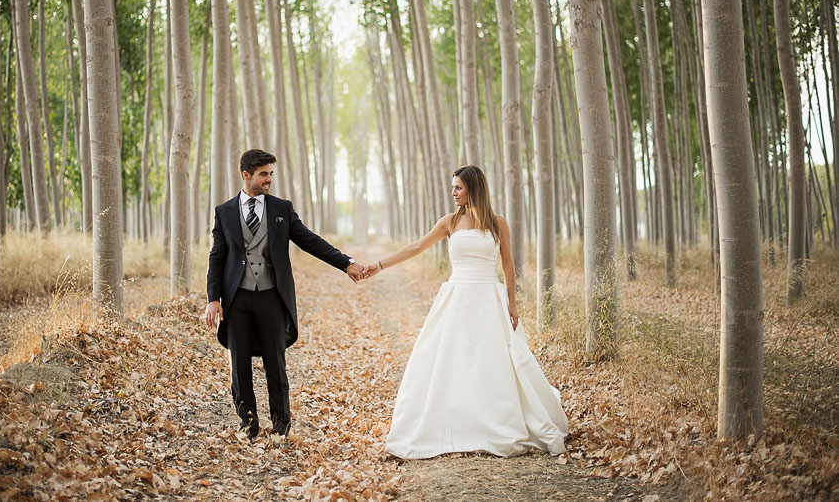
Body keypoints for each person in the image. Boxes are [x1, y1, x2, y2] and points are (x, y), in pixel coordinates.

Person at [362, 165, 569, 459]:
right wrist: (378, 266)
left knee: (493, 360)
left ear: (473, 188)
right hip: (457, 297)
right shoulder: (449, 222)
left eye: (458, 188)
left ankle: (496, 416)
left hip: (489, 297)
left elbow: (508, 264)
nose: (453, 193)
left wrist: (512, 302)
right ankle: (454, 420)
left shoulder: (498, 223)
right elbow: (417, 246)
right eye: (452, 188)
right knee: (453, 358)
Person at [204, 149, 366, 438]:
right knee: (239, 365)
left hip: (272, 296)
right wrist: (213, 299)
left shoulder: (281, 208)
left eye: (271, 174)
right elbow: (217, 257)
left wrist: (346, 263)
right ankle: (249, 424)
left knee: (275, 364)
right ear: (246, 175)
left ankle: (281, 425)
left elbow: (310, 241)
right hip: (237, 298)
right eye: (263, 174)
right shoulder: (224, 211)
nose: (269, 180)